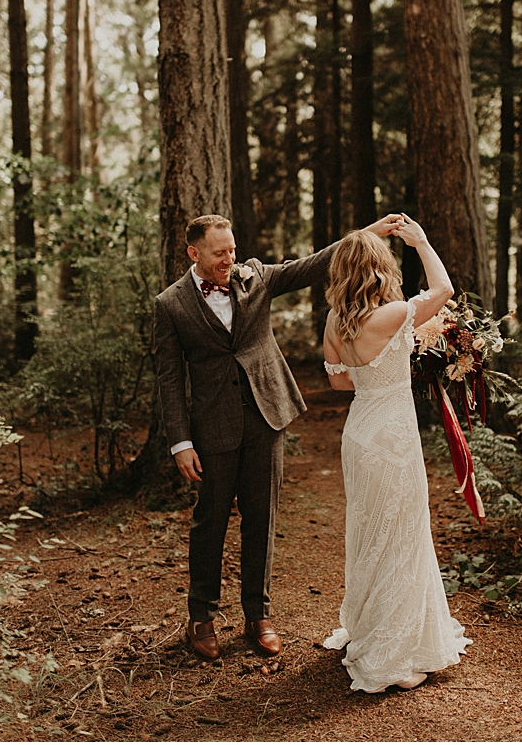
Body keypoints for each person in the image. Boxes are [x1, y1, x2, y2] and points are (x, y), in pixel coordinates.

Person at [153, 211, 405, 661]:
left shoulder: (257, 277)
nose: (229, 259)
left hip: (268, 414)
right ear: (194, 253)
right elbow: (169, 379)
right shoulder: (170, 304)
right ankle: (201, 617)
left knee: (261, 517)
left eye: (231, 250)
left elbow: (313, 264)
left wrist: (367, 234)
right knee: (209, 521)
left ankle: (258, 615)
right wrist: (181, 442)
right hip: (212, 426)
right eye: (218, 253)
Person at [318, 216, 471, 691]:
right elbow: (442, 289)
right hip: (393, 434)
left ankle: (368, 625)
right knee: (402, 532)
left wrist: (375, 375)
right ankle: (393, 645)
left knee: (369, 531)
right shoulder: (392, 314)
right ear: (379, 269)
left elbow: (339, 381)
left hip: (361, 431)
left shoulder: (336, 322)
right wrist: (422, 240)